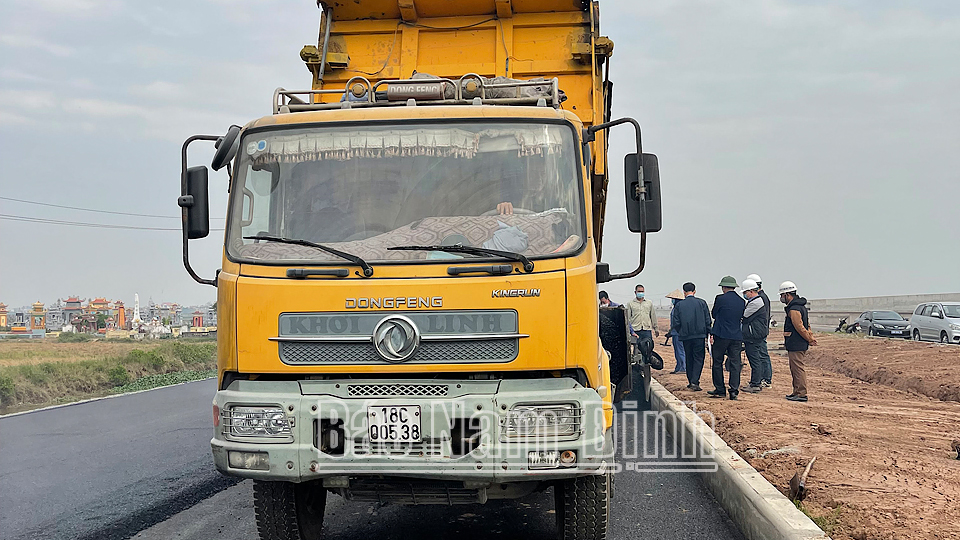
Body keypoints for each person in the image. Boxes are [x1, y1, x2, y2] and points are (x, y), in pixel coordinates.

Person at [708, 276, 746, 400]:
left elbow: (714, 314)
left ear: (723, 287)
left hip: (721, 334)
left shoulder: (720, 299)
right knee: (735, 363)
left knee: (717, 362)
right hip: (736, 336)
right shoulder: (741, 301)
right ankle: (734, 390)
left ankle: (720, 389)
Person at [671, 282, 712, 391]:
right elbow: (708, 320)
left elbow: (676, 322)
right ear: (694, 291)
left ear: (684, 292)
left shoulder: (679, 305)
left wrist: (682, 331)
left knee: (689, 357)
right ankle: (695, 381)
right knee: (698, 358)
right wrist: (708, 333)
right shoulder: (702, 303)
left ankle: (691, 381)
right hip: (699, 335)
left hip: (685, 336)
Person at [780, 281, 817, 402]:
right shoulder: (800, 307)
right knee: (794, 368)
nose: (781, 298)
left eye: (782, 295)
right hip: (796, 343)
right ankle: (796, 391)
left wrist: (809, 338)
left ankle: (801, 393)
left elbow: (800, 327)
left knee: (798, 369)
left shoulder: (794, 309)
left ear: (788, 294)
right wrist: (810, 337)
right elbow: (807, 325)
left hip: (796, 343)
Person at [739, 279, 769, 393]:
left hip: (753, 335)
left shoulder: (756, 302)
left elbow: (744, 316)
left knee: (755, 360)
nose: (744, 295)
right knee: (756, 359)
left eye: (745, 292)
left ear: (751, 291)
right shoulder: (756, 301)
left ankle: (755, 384)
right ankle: (755, 382)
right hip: (755, 334)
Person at [747, 273, 773, 387]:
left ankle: (766, 379)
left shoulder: (761, 298)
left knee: (762, 355)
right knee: (762, 355)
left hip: (759, 331)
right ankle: (764, 378)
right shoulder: (763, 296)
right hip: (761, 330)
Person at [665, 289, 687, 374]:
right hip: (675, 333)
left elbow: (677, 322)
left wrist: (671, 331)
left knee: (680, 351)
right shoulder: (676, 308)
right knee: (677, 351)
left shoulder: (678, 308)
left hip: (678, 333)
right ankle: (678, 367)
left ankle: (683, 367)